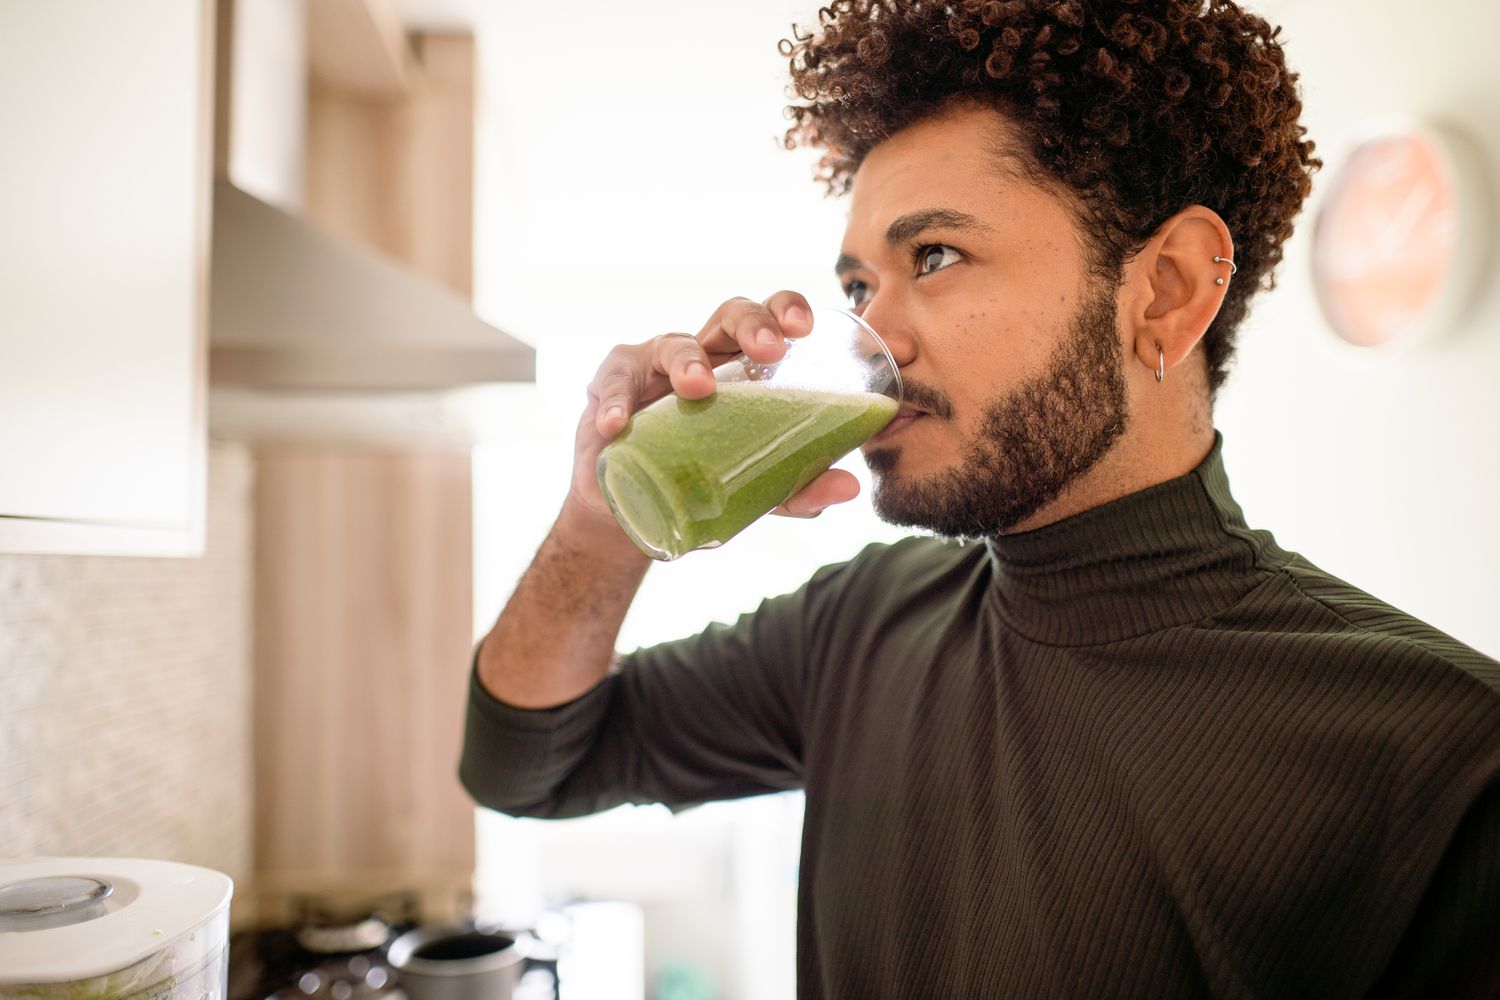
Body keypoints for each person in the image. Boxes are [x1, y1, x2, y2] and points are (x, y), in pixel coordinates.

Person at [459, 0, 1500, 995]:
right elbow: (525, 764)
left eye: (937, 256)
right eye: (862, 287)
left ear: (1168, 289)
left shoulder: (1449, 759)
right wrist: (603, 512)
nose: (879, 334)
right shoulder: (862, 623)